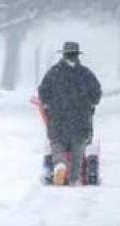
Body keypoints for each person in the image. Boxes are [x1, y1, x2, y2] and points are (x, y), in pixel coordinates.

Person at [38, 41, 102, 186]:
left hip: (57, 118)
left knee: (57, 144)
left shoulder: (53, 72)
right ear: (77, 55)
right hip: (80, 118)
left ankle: (60, 164)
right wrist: (90, 103)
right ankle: (74, 178)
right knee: (78, 147)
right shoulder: (86, 74)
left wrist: (49, 105)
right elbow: (97, 93)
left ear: (64, 54)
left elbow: (43, 91)